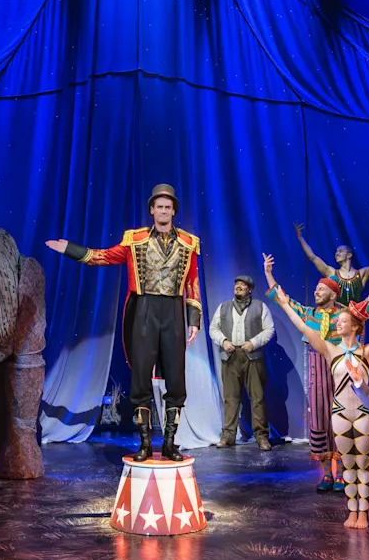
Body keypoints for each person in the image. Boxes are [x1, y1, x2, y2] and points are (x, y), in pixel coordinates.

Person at [266, 253, 369, 527]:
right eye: (338, 321)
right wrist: (282, 301)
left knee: (361, 464)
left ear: (355, 325)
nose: (338, 324)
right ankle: (351, 511)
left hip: (362, 414)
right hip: (339, 413)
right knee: (348, 465)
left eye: (343, 321)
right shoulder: (330, 350)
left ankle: (363, 513)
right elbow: (301, 324)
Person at [46, 184, 204, 462]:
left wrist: (193, 320)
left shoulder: (189, 243)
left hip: (173, 313)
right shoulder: (135, 240)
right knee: (140, 378)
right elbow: (103, 256)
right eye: (160, 206)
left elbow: (192, 283)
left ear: (173, 211)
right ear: (152, 210)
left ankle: (169, 443)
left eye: (169, 207)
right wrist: (69, 249)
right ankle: (144, 444)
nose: (164, 211)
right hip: (144, 310)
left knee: (176, 380)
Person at [271, 264, 369, 492]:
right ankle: (326, 473)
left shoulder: (345, 315)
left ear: (333, 294)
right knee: (319, 418)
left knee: (340, 416)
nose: (316, 292)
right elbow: (284, 300)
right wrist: (269, 275)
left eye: (320, 289)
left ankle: (343, 473)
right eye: (315, 289)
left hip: (339, 367)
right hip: (317, 367)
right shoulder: (309, 313)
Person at [209, 274, 276, 449]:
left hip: (252, 356)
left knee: (257, 398)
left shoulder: (260, 307)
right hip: (230, 356)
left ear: (250, 289)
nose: (238, 286)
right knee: (231, 398)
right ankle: (228, 436)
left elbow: (269, 330)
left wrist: (253, 343)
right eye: (236, 283)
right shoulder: (223, 307)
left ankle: (261, 436)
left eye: (243, 284)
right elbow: (213, 329)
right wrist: (223, 341)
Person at [295, 222, 369, 307]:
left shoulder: (361, 274)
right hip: (336, 319)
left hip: (355, 319)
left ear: (349, 255)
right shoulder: (331, 273)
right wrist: (300, 238)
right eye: (336, 252)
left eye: (341, 251)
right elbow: (312, 257)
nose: (337, 253)